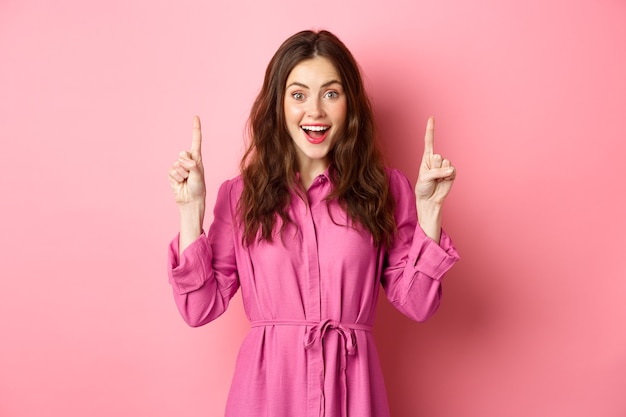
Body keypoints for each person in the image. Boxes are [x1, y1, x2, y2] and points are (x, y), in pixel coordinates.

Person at [167, 29, 459, 417]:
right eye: (299, 94)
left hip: (352, 395)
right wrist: (191, 211)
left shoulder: (385, 189)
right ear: (278, 105)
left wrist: (430, 211)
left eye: (331, 93)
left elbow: (419, 304)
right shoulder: (240, 195)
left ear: (350, 104)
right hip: (267, 398)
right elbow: (198, 308)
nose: (315, 111)